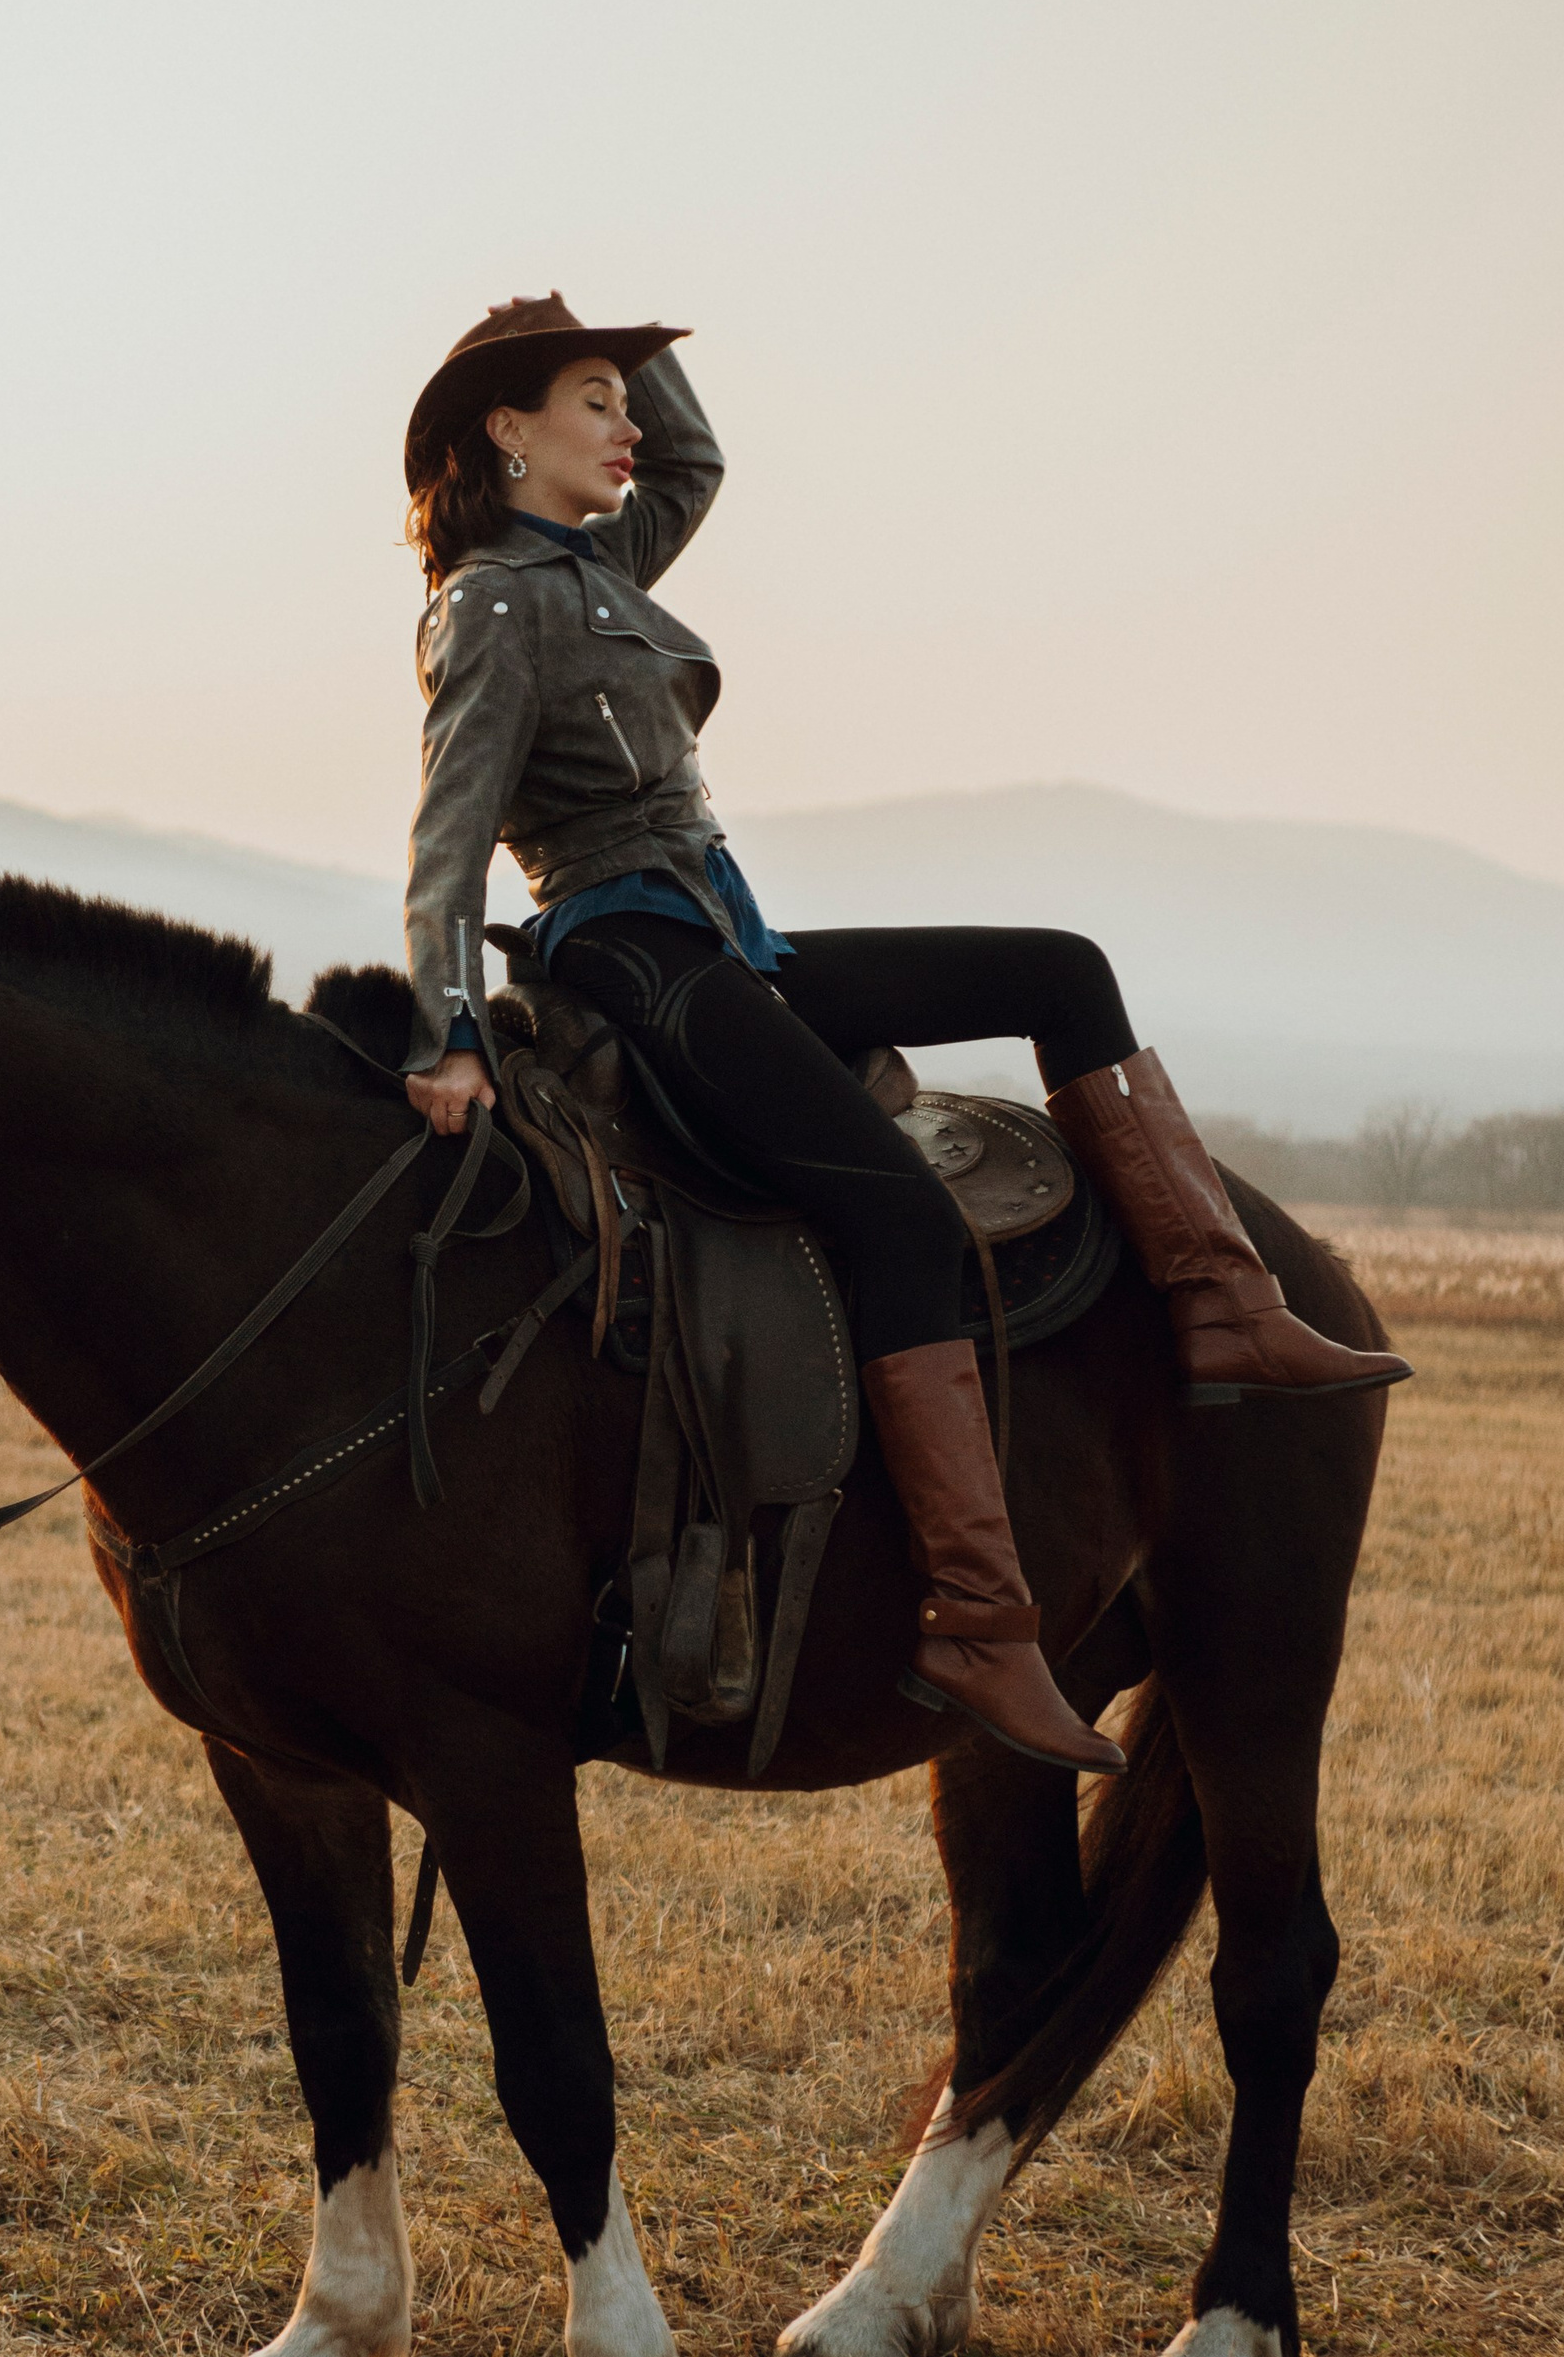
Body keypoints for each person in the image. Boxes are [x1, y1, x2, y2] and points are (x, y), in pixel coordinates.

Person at [398, 294, 1409, 1777]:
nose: (625, 426)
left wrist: (602, 336)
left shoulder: (598, 565)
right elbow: (448, 835)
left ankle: (1220, 1303)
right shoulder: (495, 602)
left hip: (729, 943)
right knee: (898, 1215)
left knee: (1064, 975)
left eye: (624, 398)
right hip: (634, 954)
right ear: (507, 430)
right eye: (592, 399)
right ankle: (980, 1619)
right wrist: (446, 1029)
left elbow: (693, 464)